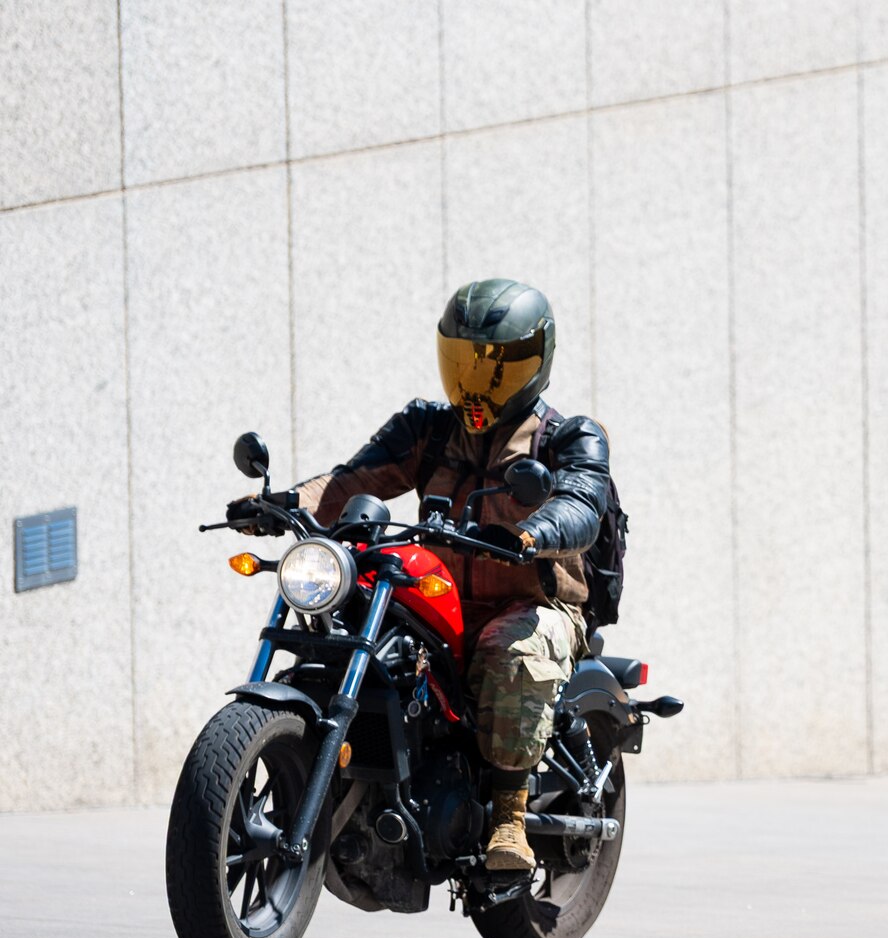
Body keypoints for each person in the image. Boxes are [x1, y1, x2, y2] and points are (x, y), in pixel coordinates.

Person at [235, 278, 613, 875]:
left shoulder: (569, 437)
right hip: (439, 593)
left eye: (494, 368)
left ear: (535, 362)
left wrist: (530, 533)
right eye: (461, 363)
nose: (474, 384)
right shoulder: (428, 428)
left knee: (511, 649)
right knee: (357, 612)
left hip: (530, 601)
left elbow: (582, 504)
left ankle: (510, 815)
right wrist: (281, 504)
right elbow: (349, 482)